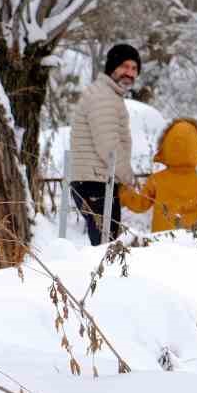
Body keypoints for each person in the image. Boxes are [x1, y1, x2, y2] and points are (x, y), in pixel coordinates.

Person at [66, 43, 142, 245]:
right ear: (112, 67)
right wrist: (128, 177)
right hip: (95, 182)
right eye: (125, 66)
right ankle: (103, 277)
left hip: (97, 180)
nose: (130, 73)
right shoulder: (103, 97)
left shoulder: (109, 95)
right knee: (105, 245)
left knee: (105, 241)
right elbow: (108, 147)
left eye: (134, 69)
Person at [120, 118, 197, 233]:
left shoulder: (156, 180)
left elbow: (140, 204)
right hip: (192, 238)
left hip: (163, 240)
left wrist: (124, 193)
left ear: (166, 147)